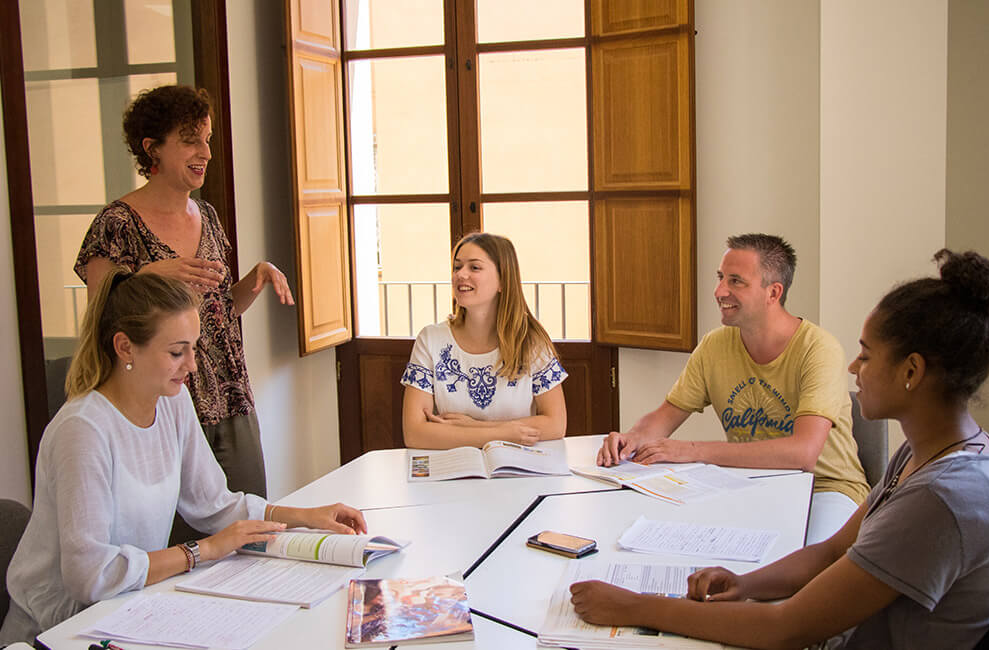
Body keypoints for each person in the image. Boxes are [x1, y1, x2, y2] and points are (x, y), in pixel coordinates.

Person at [571, 249, 989, 649]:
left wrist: (635, 607)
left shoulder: (941, 498)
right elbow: (833, 552)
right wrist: (746, 584)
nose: (854, 368)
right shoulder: (922, 454)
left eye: (867, 357)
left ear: (911, 370)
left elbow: (785, 628)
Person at [0, 270, 366, 646]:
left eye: (193, 348)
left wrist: (303, 517)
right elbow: (89, 575)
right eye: (176, 352)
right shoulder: (83, 430)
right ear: (125, 347)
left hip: (127, 610)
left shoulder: (173, 403)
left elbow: (214, 505)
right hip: (59, 630)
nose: (191, 365)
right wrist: (203, 550)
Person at [74, 84, 291, 501]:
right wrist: (148, 275)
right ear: (152, 148)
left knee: (248, 522)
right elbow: (100, 318)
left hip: (229, 396)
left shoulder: (206, 215)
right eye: (191, 140)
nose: (206, 153)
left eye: (207, 140)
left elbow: (219, 312)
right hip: (162, 399)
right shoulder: (116, 223)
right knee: (180, 540)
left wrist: (254, 279)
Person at [597, 234, 869, 543]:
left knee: (802, 566)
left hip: (824, 488)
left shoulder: (819, 349)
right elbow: (665, 416)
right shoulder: (714, 346)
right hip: (749, 483)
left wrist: (693, 451)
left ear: (773, 292)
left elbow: (803, 453)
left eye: (736, 281)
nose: (719, 291)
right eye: (720, 278)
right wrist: (632, 439)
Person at [401, 232, 567, 448]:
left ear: (503, 280)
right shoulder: (430, 339)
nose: (461, 274)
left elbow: (556, 424)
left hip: (517, 471)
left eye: (474, 267)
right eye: (457, 266)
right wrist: (502, 434)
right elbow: (414, 433)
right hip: (453, 470)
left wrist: (472, 427)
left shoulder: (532, 341)